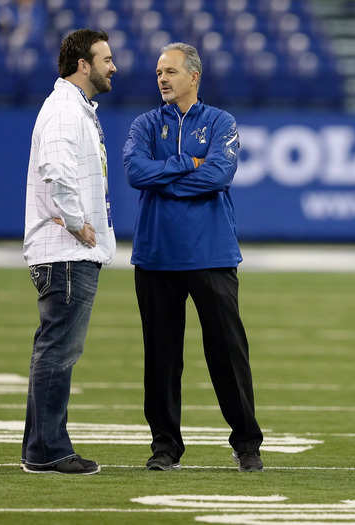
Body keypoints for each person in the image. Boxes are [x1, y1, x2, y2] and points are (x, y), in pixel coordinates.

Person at [123, 42, 263, 472]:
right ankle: (165, 448)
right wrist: (188, 164)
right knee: (161, 358)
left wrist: (164, 178)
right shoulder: (145, 123)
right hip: (156, 256)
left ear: (194, 76)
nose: (162, 78)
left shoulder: (221, 121)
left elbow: (220, 174)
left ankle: (246, 445)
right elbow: (134, 172)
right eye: (158, 71)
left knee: (227, 353)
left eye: (170, 71)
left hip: (212, 254)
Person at [21, 29, 117, 475]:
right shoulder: (63, 109)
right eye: (105, 58)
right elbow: (55, 170)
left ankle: (40, 446)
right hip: (64, 250)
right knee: (58, 351)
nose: (112, 66)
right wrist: (79, 225)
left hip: (65, 250)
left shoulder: (71, 107)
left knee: (54, 348)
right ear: (84, 64)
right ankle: (49, 450)